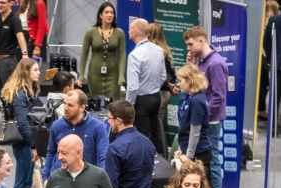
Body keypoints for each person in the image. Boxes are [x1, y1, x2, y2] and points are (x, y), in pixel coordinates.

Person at [185, 27, 228, 188]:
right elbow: (193, 86)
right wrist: (191, 65)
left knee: (213, 161)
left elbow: (218, 97)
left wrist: (202, 117)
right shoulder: (201, 61)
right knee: (205, 161)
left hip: (210, 122)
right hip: (204, 121)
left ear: (201, 40)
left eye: (190, 44)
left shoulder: (215, 63)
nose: (188, 48)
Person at [0, 58, 43, 188]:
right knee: (22, 183)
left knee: (25, 183)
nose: (39, 73)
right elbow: (23, 123)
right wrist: (34, 146)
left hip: (26, 141)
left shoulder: (26, 91)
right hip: (25, 142)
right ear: (26, 72)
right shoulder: (20, 94)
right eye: (35, 70)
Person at [41, 90, 110, 181]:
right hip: (60, 181)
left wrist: (102, 181)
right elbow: (51, 152)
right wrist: (45, 177)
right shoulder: (56, 126)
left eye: (70, 105)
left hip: (86, 181)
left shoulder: (98, 127)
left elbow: (103, 157)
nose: (65, 108)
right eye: (65, 103)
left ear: (82, 107)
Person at [125, 18, 167, 155]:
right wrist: (153, 87)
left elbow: (132, 87)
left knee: (142, 136)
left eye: (131, 28)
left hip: (141, 101)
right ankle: (162, 165)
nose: (128, 30)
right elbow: (163, 77)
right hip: (156, 97)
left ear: (137, 31)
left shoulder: (134, 55)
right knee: (156, 134)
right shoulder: (159, 51)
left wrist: (128, 107)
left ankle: (144, 165)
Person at [80, 2, 127, 101]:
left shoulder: (119, 33)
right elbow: (84, 54)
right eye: (107, 12)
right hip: (94, 74)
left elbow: (122, 55)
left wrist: (121, 75)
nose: (110, 15)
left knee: (113, 103)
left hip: (113, 75)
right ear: (100, 15)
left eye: (112, 12)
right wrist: (81, 74)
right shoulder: (90, 32)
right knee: (95, 102)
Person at [175, 64, 213, 176]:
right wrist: (180, 148)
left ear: (189, 81)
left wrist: (188, 157)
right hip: (187, 149)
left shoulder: (197, 101)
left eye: (181, 80)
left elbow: (195, 132)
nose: (179, 83)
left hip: (198, 153)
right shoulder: (187, 97)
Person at [0, 0, 29, 106]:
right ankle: (7, 114)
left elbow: (20, 37)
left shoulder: (14, 19)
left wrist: (25, 55)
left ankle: (13, 117)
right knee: (1, 92)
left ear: (10, 3)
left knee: (9, 92)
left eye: (2, 2)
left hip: (7, 62)